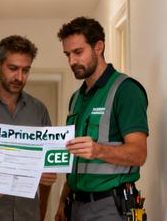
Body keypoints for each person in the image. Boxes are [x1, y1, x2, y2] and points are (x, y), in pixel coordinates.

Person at [54, 17, 148, 221]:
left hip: (110, 206)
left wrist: (97, 150)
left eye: (78, 52)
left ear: (98, 47)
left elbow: (139, 154)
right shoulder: (76, 98)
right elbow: (75, 158)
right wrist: (62, 202)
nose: (72, 61)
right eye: (67, 55)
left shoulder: (126, 91)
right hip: (75, 205)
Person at [0, 36, 58, 220]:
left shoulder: (38, 110)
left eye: (26, 70)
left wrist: (41, 211)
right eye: (13, 68)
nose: (19, 77)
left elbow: (48, 167)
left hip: (28, 214)